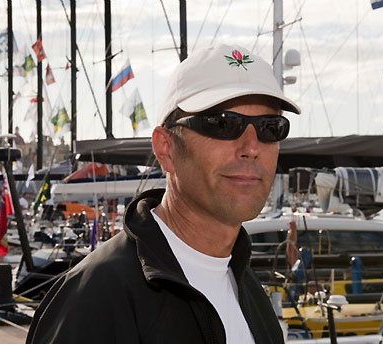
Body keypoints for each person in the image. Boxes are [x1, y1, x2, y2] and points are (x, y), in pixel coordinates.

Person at [27, 43, 301, 344]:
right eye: (223, 124)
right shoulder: (96, 297)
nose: (251, 148)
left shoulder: (249, 292)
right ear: (166, 149)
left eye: (270, 128)